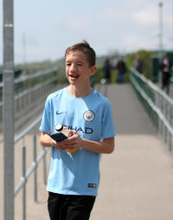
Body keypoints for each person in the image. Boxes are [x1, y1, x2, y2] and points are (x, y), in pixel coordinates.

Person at [39, 41, 116, 220]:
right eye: (68, 64)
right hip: (57, 184)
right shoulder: (53, 99)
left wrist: (82, 143)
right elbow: (42, 138)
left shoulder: (102, 104)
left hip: (84, 186)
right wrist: (55, 141)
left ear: (92, 70)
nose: (72, 69)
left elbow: (109, 146)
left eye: (79, 64)